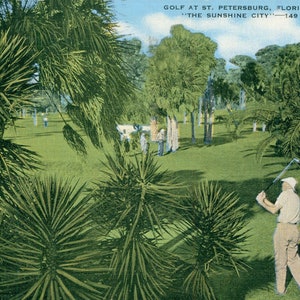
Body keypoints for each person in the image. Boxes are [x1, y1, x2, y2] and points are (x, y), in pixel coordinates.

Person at [256, 177, 300, 295]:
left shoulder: (284, 194)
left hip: (283, 230)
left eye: (283, 183)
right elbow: (278, 207)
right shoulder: (296, 198)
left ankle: (281, 290)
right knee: (294, 259)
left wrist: (260, 202)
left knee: (281, 261)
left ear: (288, 185)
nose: (282, 185)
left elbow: (274, 210)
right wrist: (264, 200)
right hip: (295, 231)